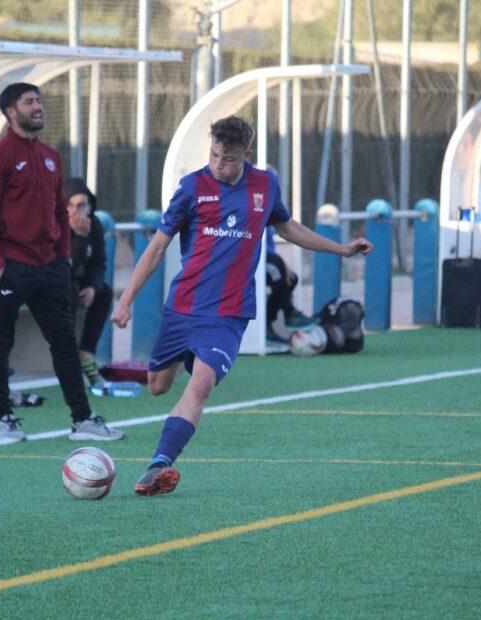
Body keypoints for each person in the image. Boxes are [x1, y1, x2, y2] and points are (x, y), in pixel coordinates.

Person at [111, 115, 372, 496]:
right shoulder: (191, 187)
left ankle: (159, 464)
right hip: (183, 307)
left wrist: (342, 249)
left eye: (228, 158)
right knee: (157, 386)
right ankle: (190, 358)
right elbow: (157, 247)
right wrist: (126, 299)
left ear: (246, 155)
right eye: (214, 154)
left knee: (200, 385)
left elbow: (287, 227)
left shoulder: (265, 185)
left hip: (229, 314)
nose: (218, 164)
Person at [0, 82, 124, 442]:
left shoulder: (50, 156)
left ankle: (83, 420)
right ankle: (3, 419)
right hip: (11, 266)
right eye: (30, 102)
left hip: (51, 267)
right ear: (11, 112)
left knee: (64, 343)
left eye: (39, 100)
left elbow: (59, 210)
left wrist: (63, 257)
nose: (38, 106)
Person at [62, 177, 112, 387]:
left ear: (90, 206)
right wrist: (80, 237)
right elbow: (66, 267)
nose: (75, 212)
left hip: (81, 283)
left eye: (81, 206)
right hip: (59, 283)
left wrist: (93, 287)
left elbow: (99, 263)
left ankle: (86, 356)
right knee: (70, 290)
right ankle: (69, 361)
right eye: (70, 205)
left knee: (105, 292)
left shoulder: (96, 225)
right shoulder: (58, 226)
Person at [265, 226, 315, 344]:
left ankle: (270, 322)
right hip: (246, 259)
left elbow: (268, 243)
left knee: (292, 278)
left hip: (265, 257)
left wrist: (281, 263)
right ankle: (289, 314)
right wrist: (279, 262)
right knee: (277, 269)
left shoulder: (266, 210)